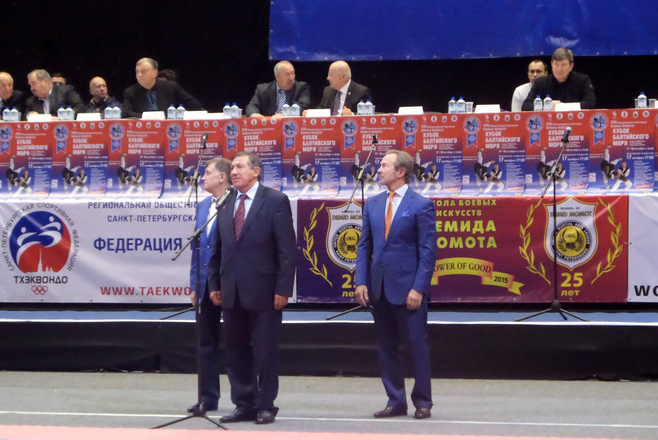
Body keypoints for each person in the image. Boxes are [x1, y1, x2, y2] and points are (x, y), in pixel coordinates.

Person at [208, 152, 296, 425]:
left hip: (265, 291)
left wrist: (283, 288)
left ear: (256, 171)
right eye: (232, 167)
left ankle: (265, 405)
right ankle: (243, 403)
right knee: (235, 352)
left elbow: (287, 250)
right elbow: (219, 247)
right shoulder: (226, 201)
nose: (233, 172)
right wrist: (215, 283)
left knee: (265, 352)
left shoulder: (275, 200)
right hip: (231, 290)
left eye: (239, 167)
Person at [355, 150, 436, 420]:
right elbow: (364, 245)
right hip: (379, 287)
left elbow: (428, 252)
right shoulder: (373, 203)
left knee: (416, 347)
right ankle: (395, 400)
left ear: (401, 172)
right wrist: (361, 280)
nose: (378, 169)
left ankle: (423, 401)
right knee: (386, 348)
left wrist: (418, 288)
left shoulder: (421, 205)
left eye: (384, 165)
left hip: (408, 288)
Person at [187, 157, 232, 415]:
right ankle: (207, 397)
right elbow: (197, 248)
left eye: (207, 172)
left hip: (229, 282)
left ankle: (246, 399)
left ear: (222, 177)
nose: (202, 177)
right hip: (205, 284)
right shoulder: (203, 205)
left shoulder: (236, 203)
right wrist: (194, 284)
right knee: (205, 342)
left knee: (237, 343)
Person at [122, 58, 202, 118]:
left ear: (155, 73)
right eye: (137, 72)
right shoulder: (130, 92)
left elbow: (195, 105)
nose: (139, 75)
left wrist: (180, 116)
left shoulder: (171, 87)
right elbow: (125, 113)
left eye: (143, 71)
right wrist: (147, 117)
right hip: (143, 130)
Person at [522, 48, 596, 111]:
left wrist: (561, 107)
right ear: (551, 64)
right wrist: (546, 106)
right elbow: (526, 106)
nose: (559, 69)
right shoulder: (540, 83)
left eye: (563, 65)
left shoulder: (582, 80)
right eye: (556, 64)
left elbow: (590, 103)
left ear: (571, 66)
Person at [246, 61, 310, 117]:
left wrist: (283, 116)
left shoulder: (301, 88)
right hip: (269, 124)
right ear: (277, 77)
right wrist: (254, 115)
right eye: (287, 74)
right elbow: (251, 106)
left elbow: (302, 106)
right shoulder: (263, 89)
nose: (291, 78)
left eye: (292, 73)